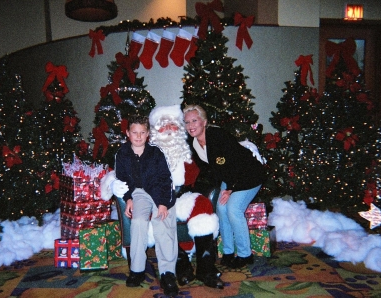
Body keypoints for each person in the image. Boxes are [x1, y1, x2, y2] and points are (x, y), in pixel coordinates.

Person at [148, 105, 223, 289]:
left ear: (179, 128)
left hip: (183, 195)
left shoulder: (188, 148)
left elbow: (207, 171)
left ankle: (206, 267)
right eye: (162, 125)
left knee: (203, 205)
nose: (167, 130)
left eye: (172, 125)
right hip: (158, 199)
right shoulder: (148, 152)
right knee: (160, 218)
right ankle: (181, 265)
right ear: (155, 130)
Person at [183, 104, 266, 269]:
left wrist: (231, 189)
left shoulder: (218, 135)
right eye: (187, 122)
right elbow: (210, 170)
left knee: (233, 209)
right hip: (229, 178)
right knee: (221, 208)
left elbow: (237, 163)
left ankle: (245, 255)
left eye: (194, 120)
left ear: (204, 122)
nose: (190, 125)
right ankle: (228, 252)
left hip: (248, 175)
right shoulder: (193, 143)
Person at [112, 114, 179, 296]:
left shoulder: (155, 152)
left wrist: (163, 203)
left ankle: (167, 273)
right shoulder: (122, 153)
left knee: (162, 221)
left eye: (143, 132)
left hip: (159, 192)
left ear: (148, 133)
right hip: (139, 193)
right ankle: (137, 270)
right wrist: (128, 198)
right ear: (128, 133)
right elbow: (122, 179)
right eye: (135, 132)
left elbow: (165, 178)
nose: (139, 136)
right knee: (139, 221)